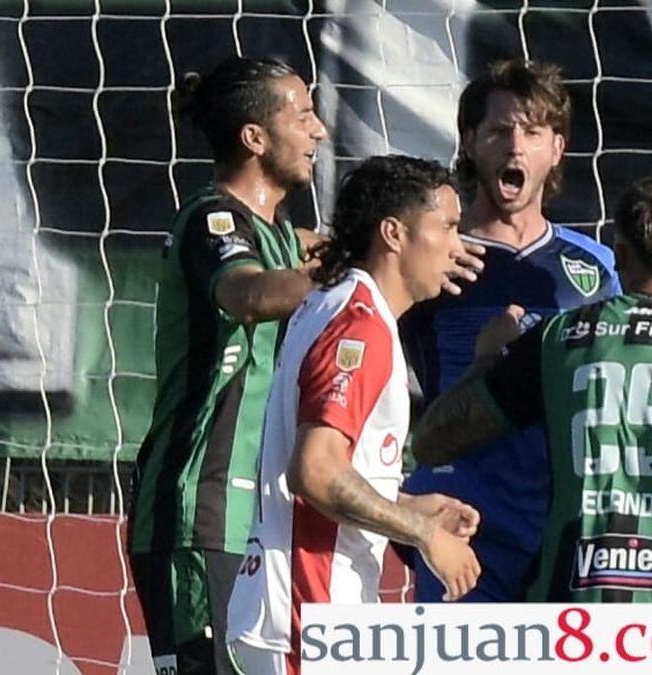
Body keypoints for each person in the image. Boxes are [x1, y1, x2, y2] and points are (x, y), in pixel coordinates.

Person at [413, 176, 652, 605]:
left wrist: (487, 358)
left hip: (575, 618)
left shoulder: (555, 341)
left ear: (618, 254)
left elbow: (432, 442)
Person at [225, 155, 482, 675]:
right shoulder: (358, 325)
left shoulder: (339, 306)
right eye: (448, 227)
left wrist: (403, 501)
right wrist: (423, 532)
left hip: (306, 609)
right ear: (394, 233)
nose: (458, 247)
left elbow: (324, 467)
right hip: (307, 612)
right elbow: (314, 471)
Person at [127, 56, 330, 675]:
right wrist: (345, 278)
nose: (319, 130)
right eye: (303, 115)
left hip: (259, 520)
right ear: (254, 137)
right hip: (200, 510)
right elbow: (247, 294)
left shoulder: (281, 234)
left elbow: (332, 251)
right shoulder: (210, 219)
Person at [400, 59, 622, 602]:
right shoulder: (432, 257)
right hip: (460, 520)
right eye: (499, 131)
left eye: (533, 132)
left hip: (567, 521)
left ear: (557, 149)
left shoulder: (594, 266)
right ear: (470, 142)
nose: (515, 147)